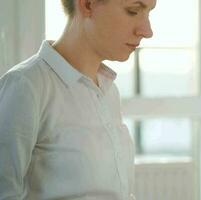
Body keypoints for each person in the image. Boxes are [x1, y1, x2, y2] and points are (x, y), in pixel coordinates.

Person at [0, 0, 155, 199]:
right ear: (88, 4)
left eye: (149, 13)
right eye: (133, 11)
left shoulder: (109, 91)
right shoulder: (26, 86)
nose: (147, 30)